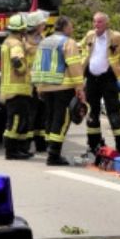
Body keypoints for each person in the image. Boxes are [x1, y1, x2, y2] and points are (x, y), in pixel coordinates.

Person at [32, 16, 85, 166]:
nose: (72, 29)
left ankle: (51, 149)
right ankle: (54, 155)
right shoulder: (68, 42)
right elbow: (74, 65)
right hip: (63, 86)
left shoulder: (43, 41)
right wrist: (79, 87)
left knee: (50, 117)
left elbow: (37, 65)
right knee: (61, 120)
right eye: (71, 26)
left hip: (45, 86)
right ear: (66, 28)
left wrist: (38, 86)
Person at [80, 12, 120, 156]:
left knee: (113, 114)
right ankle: (93, 147)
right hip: (92, 79)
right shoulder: (90, 35)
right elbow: (80, 48)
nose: (96, 25)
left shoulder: (115, 36)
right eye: (94, 22)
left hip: (108, 79)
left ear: (106, 23)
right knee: (92, 114)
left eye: (99, 22)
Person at [1, 13, 34, 160]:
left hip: (13, 89)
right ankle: (11, 151)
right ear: (22, 30)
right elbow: (17, 62)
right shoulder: (16, 44)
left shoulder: (8, 41)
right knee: (15, 121)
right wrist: (24, 70)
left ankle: (20, 149)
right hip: (17, 89)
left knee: (21, 120)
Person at [26, 10, 50, 153]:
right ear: (36, 25)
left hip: (42, 81)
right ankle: (26, 144)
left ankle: (41, 143)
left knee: (43, 113)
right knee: (31, 113)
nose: (44, 26)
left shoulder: (42, 38)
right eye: (42, 23)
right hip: (30, 82)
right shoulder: (25, 41)